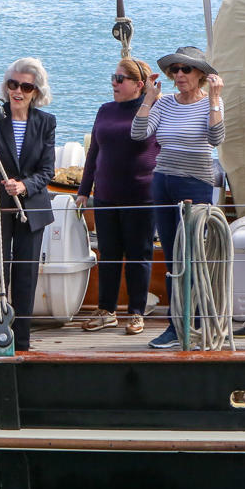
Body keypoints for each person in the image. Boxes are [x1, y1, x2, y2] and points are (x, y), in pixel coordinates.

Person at [131, 46, 225, 349]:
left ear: (201, 74)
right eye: (175, 70)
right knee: (173, 256)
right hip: (163, 182)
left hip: (196, 185)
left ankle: (195, 324)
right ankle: (175, 326)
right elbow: (138, 134)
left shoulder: (212, 102)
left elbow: (216, 139)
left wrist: (214, 100)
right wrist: (148, 99)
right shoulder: (165, 103)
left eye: (186, 69)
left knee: (192, 254)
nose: (179, 74)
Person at [0, 58, 56, 352]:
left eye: (26, 87)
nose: (18, 91)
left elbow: (47, 171)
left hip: (31, 208)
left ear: (36, 91)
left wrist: (24, 185)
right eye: (13, 84)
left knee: (25, 277)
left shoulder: (46, 122)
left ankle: (22, 344)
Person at [76, 58, 160, 335]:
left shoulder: (153, 110)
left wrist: (151, 96)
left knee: (139, 255)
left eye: (120, 79)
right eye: (113, 77)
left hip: (141, 196)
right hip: (106, 195)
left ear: (138, 84)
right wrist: (83, 191)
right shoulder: (105, 110)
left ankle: (136, 313)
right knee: (108, 254)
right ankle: (106, 311)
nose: (114, 82)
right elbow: (94, 153)